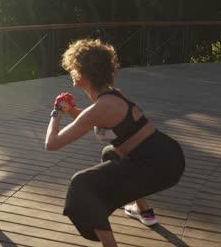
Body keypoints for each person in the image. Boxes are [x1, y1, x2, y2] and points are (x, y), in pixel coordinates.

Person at [45, 39, 185, 246]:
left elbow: (52, 143)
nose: (71, 72)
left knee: (82, 184)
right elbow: (91, 118)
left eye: (73, 68)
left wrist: (56, 113)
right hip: (166, 155)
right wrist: (71, 111)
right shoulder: (112, 96)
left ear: (84, 73)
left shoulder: (102, 106)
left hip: (160, 166)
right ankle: (144, 211)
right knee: (110, 153)